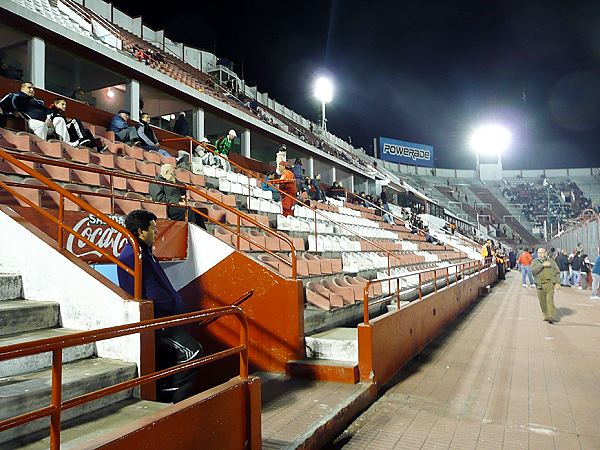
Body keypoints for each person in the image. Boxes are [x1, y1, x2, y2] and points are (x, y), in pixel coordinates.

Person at [117, 210, 203, 402]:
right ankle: (171, 400)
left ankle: (170, 395)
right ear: (141, 231)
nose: (157, 232)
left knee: (173, 358)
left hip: (166, 318)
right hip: (156, 321)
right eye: (153, 229)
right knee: (193, 352)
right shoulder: (133, 256)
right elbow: (151, 293)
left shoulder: (145, 253)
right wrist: (174, 309)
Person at [149, 164, 206, 229]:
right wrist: (177, 201)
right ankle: (193, 230)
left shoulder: (171, 180)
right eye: (172, 173)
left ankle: (203, 231)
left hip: (177, 205)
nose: (174, 175)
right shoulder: (156, 181)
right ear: (166, 172)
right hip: (167, 207)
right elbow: (158, 198)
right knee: (189, 211)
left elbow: (183, 188)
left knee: (196, 211)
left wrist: (175, 181)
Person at [531, 248, 560, 324]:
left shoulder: (551, 261)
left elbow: (557, 272)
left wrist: (557, 283)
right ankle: (545, 315)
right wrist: (542, 265)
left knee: (549, 300)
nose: (540, 255)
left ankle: (551, 316)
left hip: (549, 283)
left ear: (545, 253)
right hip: (539, 285)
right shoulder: (535, 262)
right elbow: (533, 271)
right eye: (538, 253)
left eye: (542, 253)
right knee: (542, 301)